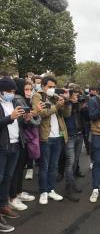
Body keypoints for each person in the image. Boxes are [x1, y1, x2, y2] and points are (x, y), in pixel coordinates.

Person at [32, 75, 71, 205]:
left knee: (54, 166)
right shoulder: (37, 96)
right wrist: (57, 107)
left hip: (58, 136)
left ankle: (51, 189)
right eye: (50, 87)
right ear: (43, 86)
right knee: (44, 165)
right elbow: (41, 113)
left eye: (54, 87)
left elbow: (66, 114)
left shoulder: (55, 97)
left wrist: (66, 103)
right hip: (46, 136)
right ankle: (43, 191)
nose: (52, 89)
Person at [0, 76, 29, 232]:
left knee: (7, 178)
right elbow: (4, 122)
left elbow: (18, 123)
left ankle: (3, 205)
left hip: (15, 144)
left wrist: (25, 117)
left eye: (13, 90)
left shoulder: (11, 102)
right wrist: (9, 118)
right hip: (2, 147)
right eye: (9, 91)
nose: (12, 93)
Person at [9, 79, 40, 212]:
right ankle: (13, 197)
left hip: (22, 138)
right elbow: (20, 122)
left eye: (30, 89)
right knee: (15, 170)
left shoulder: (25, 100)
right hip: (16, 139)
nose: (28, 92)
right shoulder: (17, 99)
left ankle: (18, 192)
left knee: (20, 168)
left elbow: (31, 122)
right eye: (26, 89)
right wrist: (31, 116)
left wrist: (32, 115)